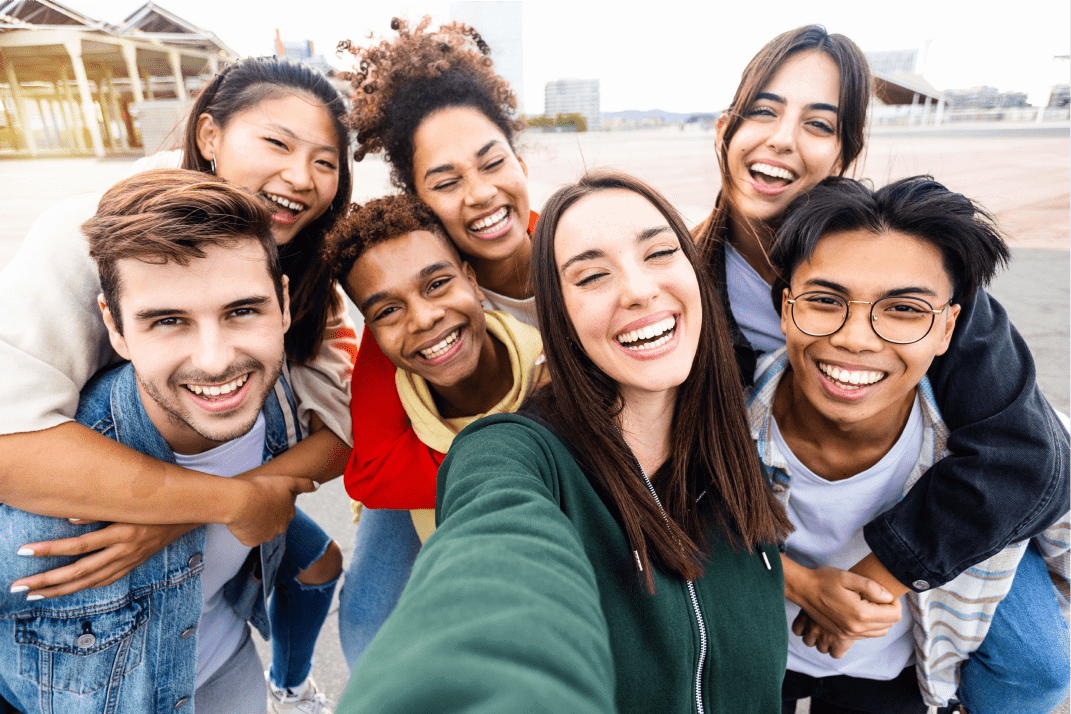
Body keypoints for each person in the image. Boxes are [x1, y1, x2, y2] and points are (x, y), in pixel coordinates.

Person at [337, 171, 793, 714]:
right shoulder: (512, 455)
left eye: (660, 252)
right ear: (558, 313)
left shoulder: (738, 444)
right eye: (592, 275)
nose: (639, 289)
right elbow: (495, 555)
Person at [0, 57, 354, 713]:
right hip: (97, 507)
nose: (301, 177)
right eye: (276, 142)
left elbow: (343, 426)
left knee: (318, 564)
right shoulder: (94, 237)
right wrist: (212, 506)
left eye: (325, 161)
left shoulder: (305, 273)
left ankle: (291, 683)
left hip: (221, 514)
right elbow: (10, 444)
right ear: (211, 136)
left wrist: (201, 510)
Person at [693, 24, 1068, 641]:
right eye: (763, 111)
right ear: (724, 130)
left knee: (1032, 662)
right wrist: (798, 582)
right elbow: (661, 467)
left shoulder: (904, 268)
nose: (782, 140)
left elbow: (1027, 458)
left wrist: (886, 572)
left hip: (927, 512)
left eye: (819, 124)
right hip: (765, 532)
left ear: (845, 158)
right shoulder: (684, 280)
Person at [748, 175, 1070, 713]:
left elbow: (1039, 484)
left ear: (949, 330)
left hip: (907, 672)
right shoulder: (721, 423)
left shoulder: (986, 449)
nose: (855, 337)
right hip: (763, 658)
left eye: (903, 309)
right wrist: (797, 583)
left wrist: (887, 573)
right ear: (785, 309)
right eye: (825, 300)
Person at [335, 17, 538, 666]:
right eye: (445, 182)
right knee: (372, 610)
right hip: (452, 456)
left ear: (518, 156)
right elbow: (371, 470)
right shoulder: (411, 297)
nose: (480, 194)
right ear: (417, 199)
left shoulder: (580, 250)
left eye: (491, 162)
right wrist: (524, 455)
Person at [327, 194, 546, 541]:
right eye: (387, 311)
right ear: (371, 329)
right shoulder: (401, 409)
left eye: (437, 284)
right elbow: (368, 477)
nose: (424, 319)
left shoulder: (555, 372)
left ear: (473, 282)